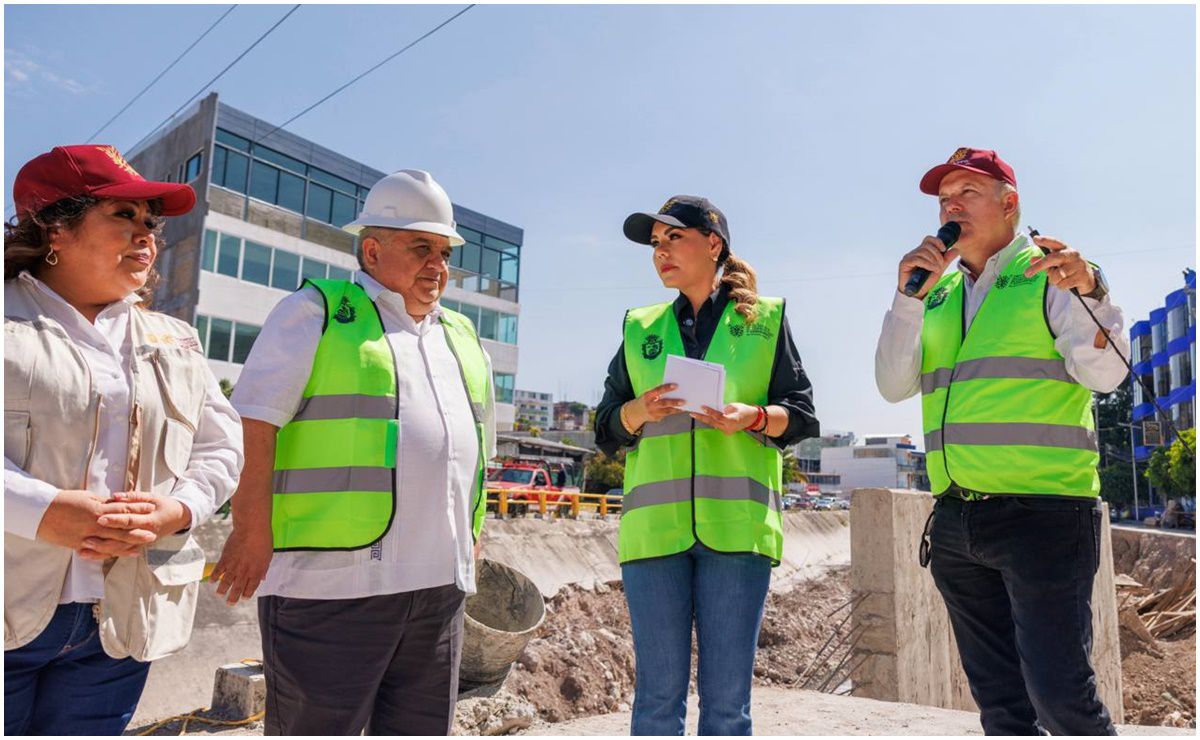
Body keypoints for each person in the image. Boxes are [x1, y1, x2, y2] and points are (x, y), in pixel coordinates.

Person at [210, 169, 496, 735]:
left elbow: (477, 448)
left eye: (444, 251)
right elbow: (253, 422)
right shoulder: (316, 312)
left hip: (438, 587)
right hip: (331, 588)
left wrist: (472, 535)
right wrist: (250, 529)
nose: (438, 265)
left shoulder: (460, 335)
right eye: (421, 248)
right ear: (372, 249)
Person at [874, 147, 1130, 735]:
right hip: (958, 522)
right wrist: (906, 299)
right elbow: (892, 386)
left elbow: (1108, 374)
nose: (951, 206)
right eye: (944, 198)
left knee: (1060, 697)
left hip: (1043, 515)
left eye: (968, 192)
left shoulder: (1049, 271)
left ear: (1009, 203)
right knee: (1003, 710)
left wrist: (1092, 289)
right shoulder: (934, 294)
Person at [3, 144, 244, 735]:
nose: (146, 236)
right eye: (124, 216)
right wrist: (40, 511)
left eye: (150, 223)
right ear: (55, 226)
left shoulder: (174, 338)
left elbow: (221, 444)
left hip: (123, 625)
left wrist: (178, 509)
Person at [595, 195, 819, 735]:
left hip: (738, 536)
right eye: (655, 244)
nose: (660, 252)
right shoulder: (639, 327)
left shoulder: (765, 321)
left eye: (674, 238)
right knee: (656, 700)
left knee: (726, 704)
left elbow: (803, 417)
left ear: (713, 244)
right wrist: (636, 410)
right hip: (653, 538)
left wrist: (756, 417)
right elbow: (604, 427)